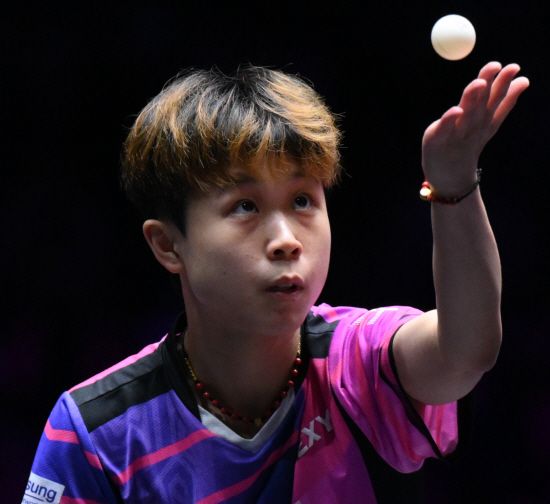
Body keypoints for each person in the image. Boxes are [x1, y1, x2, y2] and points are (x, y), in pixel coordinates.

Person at [24, 62, 529, 504]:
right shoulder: (96, 432)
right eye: (245, 206)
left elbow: (464, 352)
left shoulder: (359, 363)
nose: (286, 240)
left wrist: (453, 185)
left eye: (303, 200)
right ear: (168, 245)